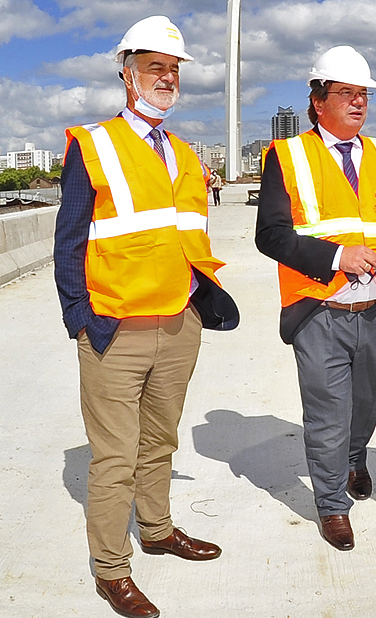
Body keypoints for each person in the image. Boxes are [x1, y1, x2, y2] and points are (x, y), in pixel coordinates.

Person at [53, 15, 239, 618]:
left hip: (178, 325)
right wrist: (81, 317)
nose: (166, 78)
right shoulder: (94, 144)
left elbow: (185, 235)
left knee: (160, 440)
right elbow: (70, 240)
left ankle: (156, 531)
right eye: (155, 67)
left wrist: (198, 301)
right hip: (114, 329)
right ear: (127, 73)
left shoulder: (184, 155)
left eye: (173, 69)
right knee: (114, 456)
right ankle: (112, 570)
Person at [255, 45, 376, 551]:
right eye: (345, 93)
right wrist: (335, 257)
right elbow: (271, 235)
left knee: (366, 401)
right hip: (319, 309)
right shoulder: (287, 156)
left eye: (363, 94)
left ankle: (353, 458)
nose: (358, 102)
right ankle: (331, 504)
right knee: (327, 410)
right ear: (318, 101)